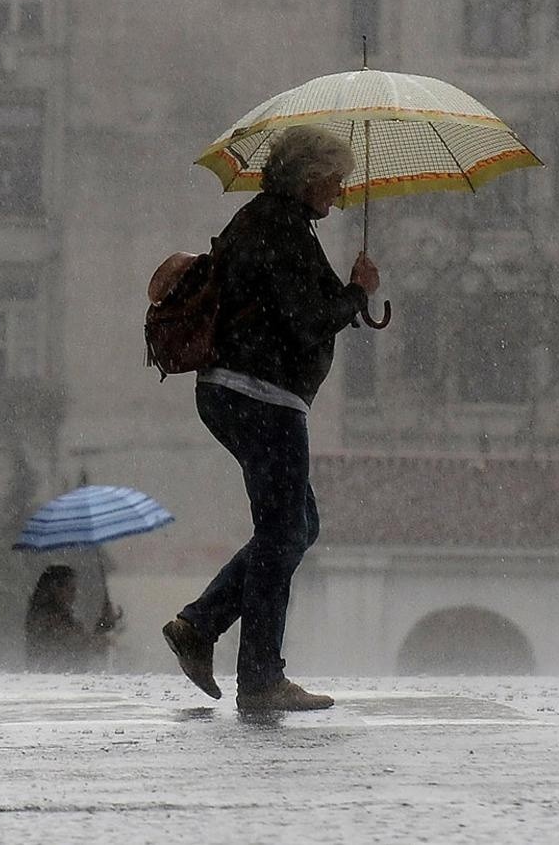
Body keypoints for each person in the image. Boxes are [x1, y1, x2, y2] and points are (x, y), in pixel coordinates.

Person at [160, 125, 379, 711]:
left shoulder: (272, 223)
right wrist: (357, 292)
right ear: (308, 177)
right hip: (260, 397)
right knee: (285, 531)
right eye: (334, 181)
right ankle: (259, 678)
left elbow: (301, 307)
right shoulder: (279, 228)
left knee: (297, 527)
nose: (339, 192)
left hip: (242, 394)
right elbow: (308, 318)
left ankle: (200, 626)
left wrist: (350, 295)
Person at [24, 565, 120, 673]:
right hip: (54, 682)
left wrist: (104, 623)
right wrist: (102, 634)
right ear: (55, 588)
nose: (74, 595)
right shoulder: (45, 618)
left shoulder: (61, 617)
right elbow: (77, 643)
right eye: (70, 589)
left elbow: (81, 645)